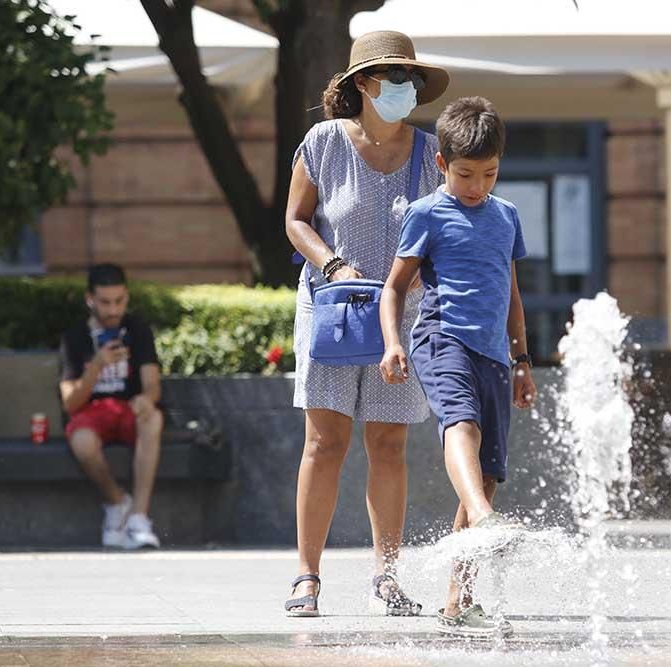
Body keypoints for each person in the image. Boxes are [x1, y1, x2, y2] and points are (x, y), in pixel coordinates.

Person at [283, 30, 450, 617]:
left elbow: (446, 230)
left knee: (388, 442)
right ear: (363, 84)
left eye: (412, 80)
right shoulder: (324, 142)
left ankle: (387, 574)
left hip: (400, 318)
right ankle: (307, 575)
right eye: (394, 78)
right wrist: (333, 262)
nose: (406, 88)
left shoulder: (432, 155)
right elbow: (296, 221)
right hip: (332, 308)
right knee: (325, 442)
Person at [379, 96, 538, 638]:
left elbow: (512, 292)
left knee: (488, 474)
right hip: (440, 336)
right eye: (466, 174)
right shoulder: (426, 213)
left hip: (494, 353)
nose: (477, 186)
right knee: (460, 426)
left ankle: (457, 600)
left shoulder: (507, 216)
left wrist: (521, 359)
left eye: (489, 174)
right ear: (443, 164)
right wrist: (391, 345)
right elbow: (394, 289)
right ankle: (486, 521)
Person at [59, 263, 163, 550]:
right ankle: (118, 502)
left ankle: (139, 517)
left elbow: (152, 385)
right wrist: (97, 365)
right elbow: (70, 402)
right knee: (81, 441)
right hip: (90, 414)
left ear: (127, 297)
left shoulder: (137, 330)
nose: (113, 310)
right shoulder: (75, 337)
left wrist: (145, 399)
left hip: (127, 409)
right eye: (105, 302)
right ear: (89, 299)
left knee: (152, 418)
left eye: (119, 301)